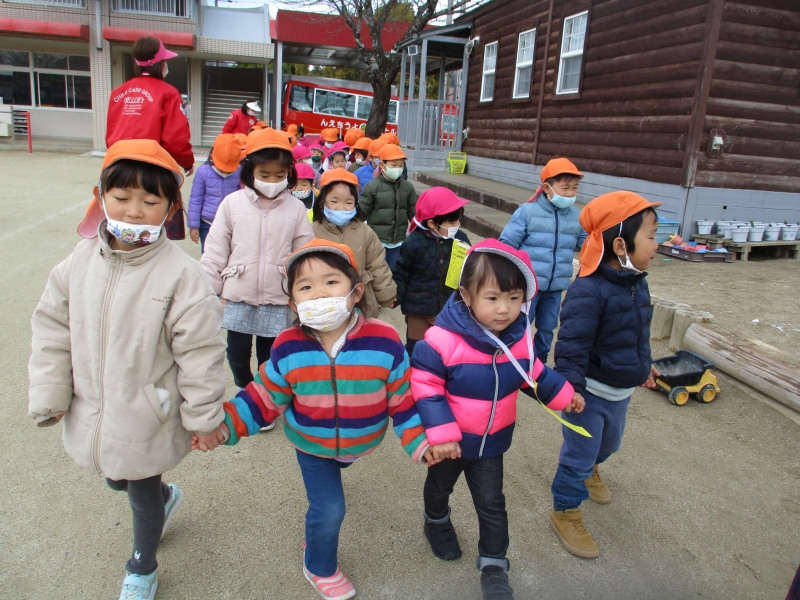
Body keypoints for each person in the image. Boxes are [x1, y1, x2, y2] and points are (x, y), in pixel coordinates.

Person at [29, 139, 228, 600]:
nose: (135, 211)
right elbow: (52, 326)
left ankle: (142, 565)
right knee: (115, 476)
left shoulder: (183, 275)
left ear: (171, 208)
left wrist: (203, 419)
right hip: (94, 405)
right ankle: (165, 496)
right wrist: (52, 392)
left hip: (146, 413)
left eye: (150, 201)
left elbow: (201, 354)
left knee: (138, 488)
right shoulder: (78, 262)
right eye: (121, 197)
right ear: (99, 196)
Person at [196, 240, 433, 600]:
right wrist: (224, 426)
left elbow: (402, 399)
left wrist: (421, 441)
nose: (319, 293)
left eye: (331, 282)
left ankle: (326, 512)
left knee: (336, 483)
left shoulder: (385, 341)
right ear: (293, 303)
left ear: (356, 292)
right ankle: (319, 565)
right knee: (329, 508)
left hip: (361, 441)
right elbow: (263, 396)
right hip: (312, 444)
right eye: (305, 287)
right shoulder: (288, 345)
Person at [411, 239, 582, 600]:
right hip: (451, 443)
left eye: (514, 298)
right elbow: (425, 387)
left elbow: (533, 374)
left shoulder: (519, 340)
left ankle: (494, 566)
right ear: (466, 295)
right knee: (439, 487)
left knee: (492, 504)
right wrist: (441, 434)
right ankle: (436, 521)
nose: (504, 309)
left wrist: (565, 396)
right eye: (492, 298)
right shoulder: (441, 341)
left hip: (492, 443)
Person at [549, 191, 661, 559]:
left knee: (609, 445)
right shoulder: (588, 291)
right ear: (620, 245)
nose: (656, 245)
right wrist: (570, 388)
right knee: (579, 455)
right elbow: (571, 345)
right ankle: (566, 511)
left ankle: (593, 468)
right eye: (651, 236)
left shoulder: (636, 282)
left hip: (620, 393)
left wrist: (643, 365)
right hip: (588, 396)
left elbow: (637, 333)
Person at [200, 127, 314, 392]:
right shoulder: (232, 204)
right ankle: (245, 387)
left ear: (289, 173)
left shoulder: (296, 208)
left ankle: (265, 394)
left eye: (279, 175)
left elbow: (304, 255)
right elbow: (215, 251)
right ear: (249, 170)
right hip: (239, 293)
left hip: (278, 296)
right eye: (264, 175)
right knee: (236, 355)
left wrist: (304, 293)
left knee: (269, 356)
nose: (272, 181)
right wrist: (208, 291)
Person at [498, 158, 587, 364]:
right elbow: (507, 244)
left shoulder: (577, 218)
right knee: (521, 325)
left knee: (548, 329)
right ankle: (513, 362)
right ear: (547, 188)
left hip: (555, 287)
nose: (570, 194)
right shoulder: (527, 212)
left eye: (575, 188)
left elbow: (588, 245)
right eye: (565, 188)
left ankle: (538, 365)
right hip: (529, 286)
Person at [104, 36, 193, 241]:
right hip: (153, 169)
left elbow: (112, 132)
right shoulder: (168, 93)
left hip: (119, 167)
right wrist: (187, 162)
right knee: (153, 225)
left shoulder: (118, 93)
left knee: (120, 224)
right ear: (160, 63)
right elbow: (175, 138)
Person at [393, 187, 470, 357]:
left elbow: (469, 268)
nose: (456, 226)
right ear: (432, 224)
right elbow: (402, 272)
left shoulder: (461, 239)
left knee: (444, 348)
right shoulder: (413, 243)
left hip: (448, 306)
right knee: (417, 348)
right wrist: (395, 295)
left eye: (458, 220)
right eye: (452, 222)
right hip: (418, 308)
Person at [311, 169, 396, 318]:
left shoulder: (365, 231)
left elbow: (377, 265)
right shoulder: (311, 232)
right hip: (324, 304)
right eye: (334, 201)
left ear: (356, 204)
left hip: (361, 302)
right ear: (322, 202)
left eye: (348, 202)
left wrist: (387, 296)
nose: (341, 207)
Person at [359, 144, 418, 270]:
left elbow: (413, 213)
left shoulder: (408, 187)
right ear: (382, 165)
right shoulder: (372, 187)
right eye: (393, 165)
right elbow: (362, 212)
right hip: (377, 240)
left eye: (401, 165)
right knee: (377, 271)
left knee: (395, 272)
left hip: (399, 241)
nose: (398, 169)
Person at [188, 133, 243, 253]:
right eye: (222, 167)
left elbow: (242, 198)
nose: (225, 172)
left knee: (230, 253)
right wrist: (194, 225)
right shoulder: (203, 172)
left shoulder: (239, 172)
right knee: (208, 254)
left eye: (229, 169)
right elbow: (195, 200)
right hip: (207, 223)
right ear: (212, 155)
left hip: (230, 223)